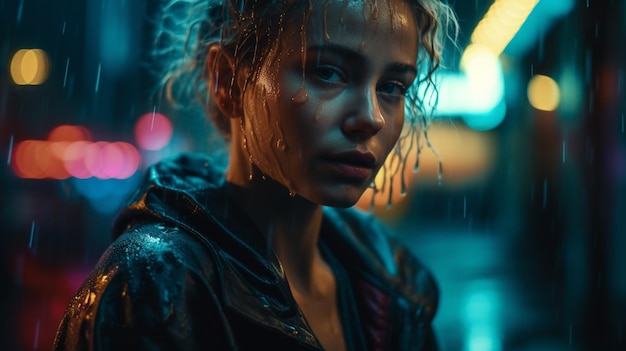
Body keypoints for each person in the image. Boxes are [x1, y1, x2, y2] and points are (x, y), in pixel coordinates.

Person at [53, 0, 457, 350]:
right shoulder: (153, 285)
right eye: (328, 72)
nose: (370, 117)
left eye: (393, 86)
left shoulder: (393, 286)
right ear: (227, 81)